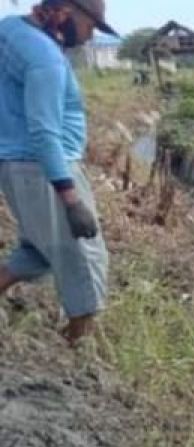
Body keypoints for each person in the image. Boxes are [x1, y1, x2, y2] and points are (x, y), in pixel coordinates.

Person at [0, 0, 117, 345]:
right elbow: (44, 130)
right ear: (65, 11)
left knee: (39, 251)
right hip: (45, 168)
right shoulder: (45, 58)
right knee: (85, 257)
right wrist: (70, 198)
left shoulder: (10, 29)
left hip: (15, 164)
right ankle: (78, 346)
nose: (88, 35)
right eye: (89, 25)